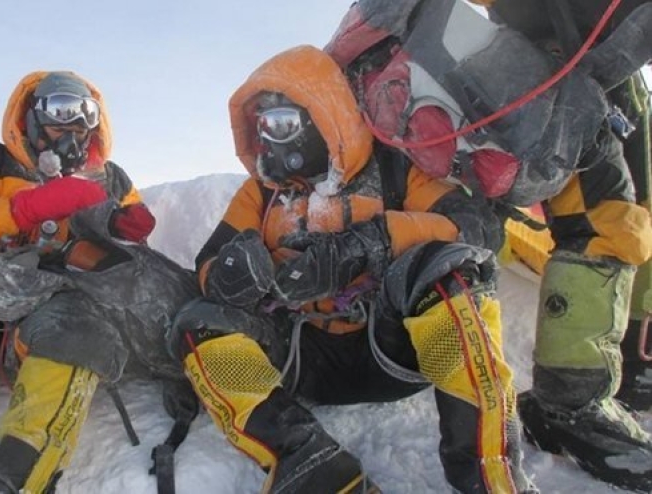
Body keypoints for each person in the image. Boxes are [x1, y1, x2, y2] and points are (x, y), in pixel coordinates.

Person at [167, 45, 537, 494]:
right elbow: (209, 262)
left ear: (324, 114)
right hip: (301, 354)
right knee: (200, 322)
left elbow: (477, 229)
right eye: (262, 128)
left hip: (392, 349)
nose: (270, 140)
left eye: (281, 123)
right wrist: (230, 274)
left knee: (447, 269)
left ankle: (489, 473)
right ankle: (310, 464)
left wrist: (370, 244)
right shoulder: (261, 194)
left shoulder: (396, 168)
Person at [0, 70, 198, 493]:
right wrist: (24, 209)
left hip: (91, 301)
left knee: (139, 312)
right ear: (32, 117)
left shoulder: (111, 177)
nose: (73, 128)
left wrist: (124, 228)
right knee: (74, 332)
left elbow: (133, 253)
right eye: (59, 112)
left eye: (84, 115)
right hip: (13, 312)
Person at [465, 0, 652, 490]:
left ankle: (607, 373)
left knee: (624, 215)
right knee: (607, 223)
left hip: (582, 81)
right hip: (551, 84)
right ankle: (570, 402)